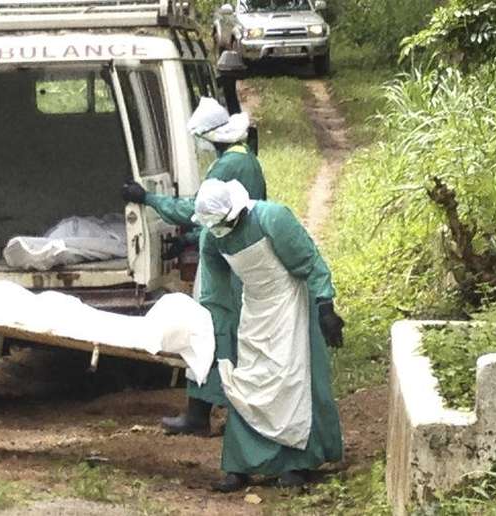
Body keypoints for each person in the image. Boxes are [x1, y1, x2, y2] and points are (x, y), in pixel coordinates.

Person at [121, 97, 266, 436]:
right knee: (223, 330)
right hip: (234, 252)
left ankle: (201, 413)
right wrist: (191, 240)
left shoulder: (228, 165)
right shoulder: (244, 159)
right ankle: (209, 409)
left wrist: (149, 198)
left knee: (210, 330)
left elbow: (197, 209)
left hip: (224, 262)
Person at [191, 178, 344, 492]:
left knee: (293, 382)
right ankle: (241, 465)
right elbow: (214, 291)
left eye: (224, 225)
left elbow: (309, 260)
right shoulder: (212, 237)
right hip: (255, 309)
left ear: (236, 213)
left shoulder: (272, 218)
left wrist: (325, 305)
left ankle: (297, 463)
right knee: (249, 382)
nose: (220, 231)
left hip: (289, 302)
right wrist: (216, 336)